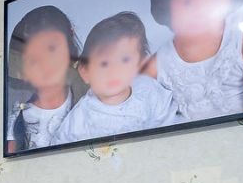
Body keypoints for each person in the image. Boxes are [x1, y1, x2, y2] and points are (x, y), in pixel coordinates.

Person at [54, 11, 178, 143]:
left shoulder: (149, 91)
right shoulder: (79, 120)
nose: (114, 71)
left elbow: (169, 122)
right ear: (85, 72)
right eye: (104, 63)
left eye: (124, 60)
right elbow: (61, 149)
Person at [5, 5, 82, 154]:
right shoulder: (16, 117)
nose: (46, 64)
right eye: (34, 59)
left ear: (69, 44)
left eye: (52, 49)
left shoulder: (88, 103)